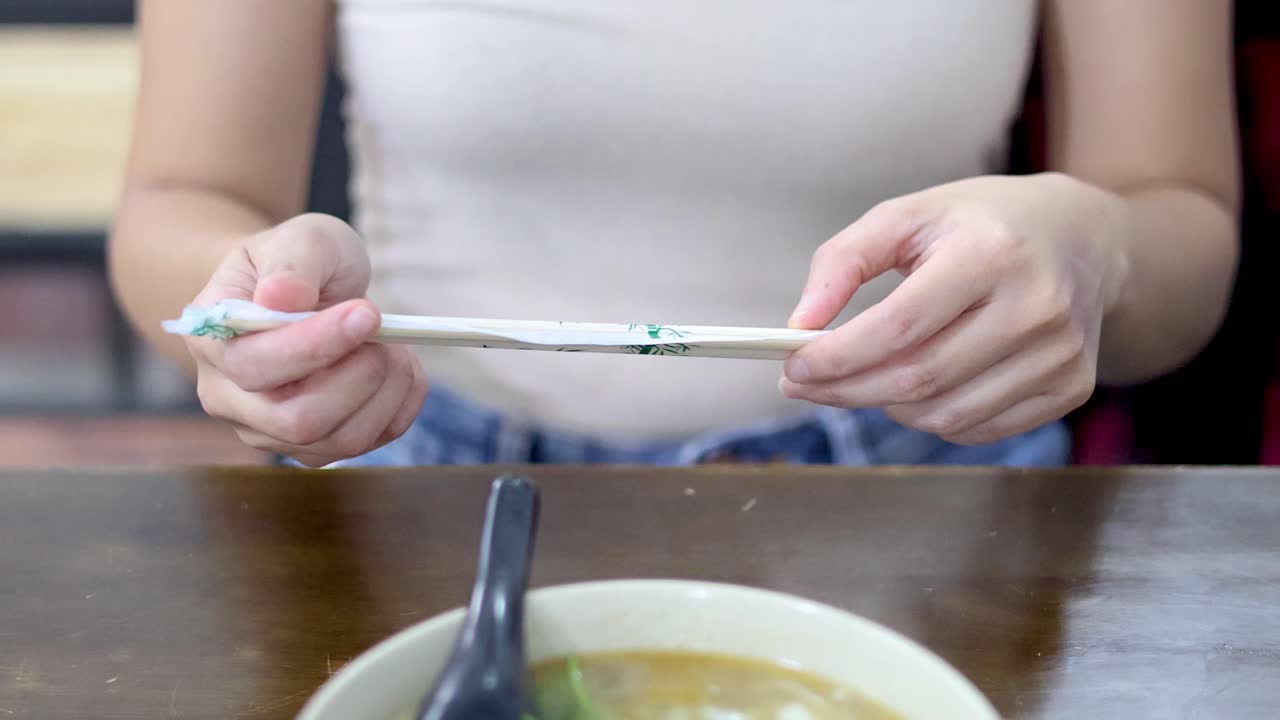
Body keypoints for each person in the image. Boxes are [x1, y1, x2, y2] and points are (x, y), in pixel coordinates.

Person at [109, 1, 1240, 468]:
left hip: (937, 493)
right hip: (419, 490)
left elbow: (1177, 221)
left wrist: (1099, 248)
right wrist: (255, 325)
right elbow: (184, 195)